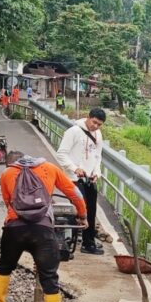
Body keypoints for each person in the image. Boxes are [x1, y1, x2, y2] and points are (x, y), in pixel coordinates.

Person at [0, 151, 87, 302]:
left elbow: (8, 201)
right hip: (42, 229)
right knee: (49, 276)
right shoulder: (50, 168)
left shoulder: (7, 174)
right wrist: (82, 214)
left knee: (4, 266)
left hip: (14, 228)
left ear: (13, 162)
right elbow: (74, 192)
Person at [56, 108, 106, 255]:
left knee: (91, 211)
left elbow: (98, 157)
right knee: (78, 210)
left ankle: (88, 243)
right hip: (74, 178)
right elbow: (61, 154)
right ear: (88, 118)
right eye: (94, 122)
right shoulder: (74, 131)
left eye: (99, 124)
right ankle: (68, 244)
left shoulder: (98, 134)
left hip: (89, 178)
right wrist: (74, 168)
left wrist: (97, 173)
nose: (95, 126)